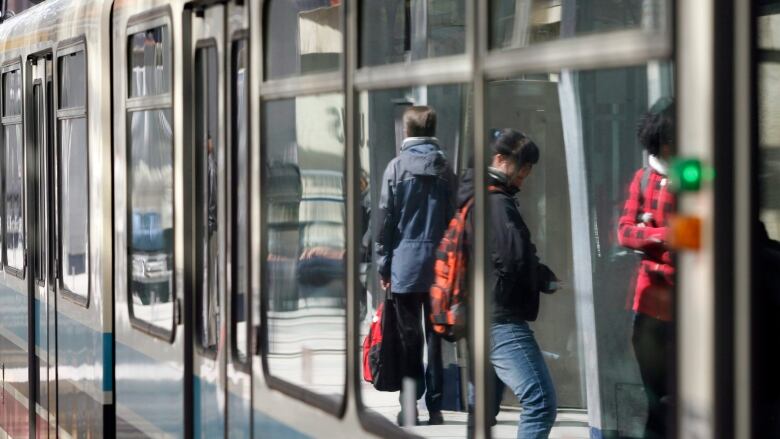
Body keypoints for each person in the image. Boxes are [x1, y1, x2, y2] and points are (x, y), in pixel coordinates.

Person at [469, 128, 560, 439]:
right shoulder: (497, 204)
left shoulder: (477, 195)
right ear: (500, 159)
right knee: (541, 401)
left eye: (529, 170)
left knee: (481, 408)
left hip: (482, 312)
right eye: (522, 168)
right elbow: (513, 260)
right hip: (500, 317)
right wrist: (542, 277)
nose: (525, 176)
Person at [375, 105, 455, 426]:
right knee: (436, 338)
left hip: (404, 269)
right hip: (439, 270)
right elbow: (456, 220)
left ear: (406, 132)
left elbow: (384, 223)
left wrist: (384, 267)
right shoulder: (446, 169)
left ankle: (409, 408)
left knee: (410, 341)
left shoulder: (395, 169)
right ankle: (435, 407)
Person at [617, 97, 675, 439]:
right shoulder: (642, 179)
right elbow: (624, 232)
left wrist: (648, 233)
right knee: (657, 401)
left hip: (687, 307)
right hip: (649, 308)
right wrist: (662, 235)